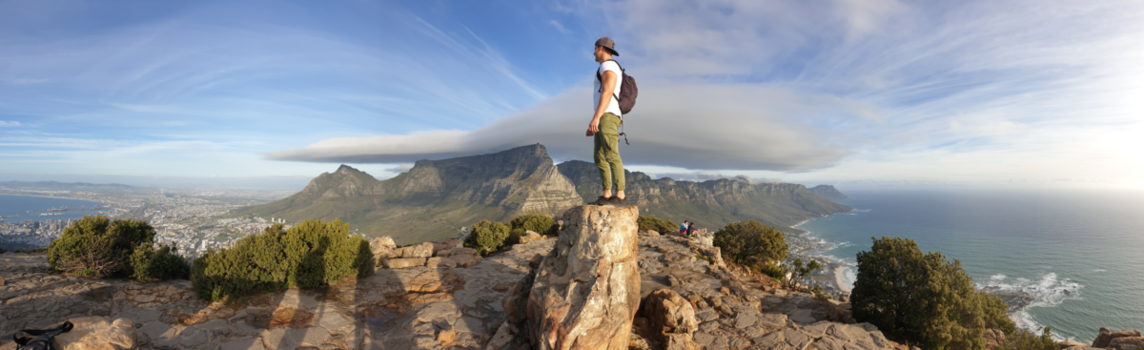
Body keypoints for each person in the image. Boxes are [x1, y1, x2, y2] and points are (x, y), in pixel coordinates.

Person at [587, 37, 626, 205]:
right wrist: (596, 119)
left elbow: (608, 91)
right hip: (604, 116)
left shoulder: (608, 66)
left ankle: (620, 195)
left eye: (595, 49)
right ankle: (607, 194)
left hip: (608, 115)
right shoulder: (606, 66)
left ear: (600, 48)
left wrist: (596, 117)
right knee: (599, 156)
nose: (594, 53)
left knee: (611, 154)